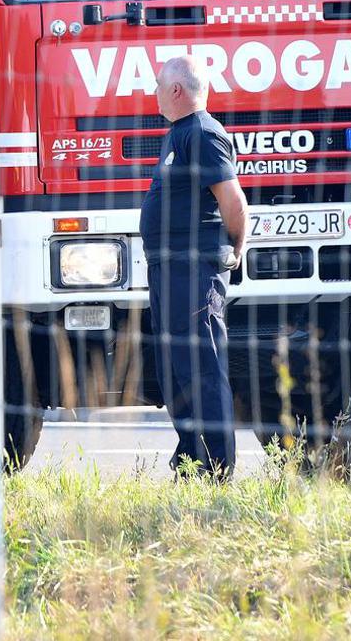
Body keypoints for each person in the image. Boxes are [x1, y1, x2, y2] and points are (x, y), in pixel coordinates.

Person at [140, 55, 248, 479]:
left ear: (176, 90)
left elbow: (233, 200)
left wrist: (237, 248)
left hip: (195, 269)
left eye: (157, 86)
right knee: (175, 369)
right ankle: (191, 461)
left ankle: (217, 470)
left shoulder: (203, 133)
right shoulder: (178, 133)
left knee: (202, 366)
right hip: (169, 270)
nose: (154, 93)